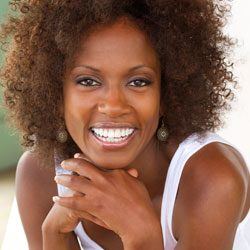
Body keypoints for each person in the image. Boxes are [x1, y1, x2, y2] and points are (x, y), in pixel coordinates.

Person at [0, 0, 249, 249]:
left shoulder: (211, 180)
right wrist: (54, 234)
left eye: (138, 82)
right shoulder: (40, 175)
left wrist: (143, 236)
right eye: (88, 81)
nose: (114, 105)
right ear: (56, 94)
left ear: (166, 94)